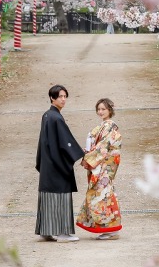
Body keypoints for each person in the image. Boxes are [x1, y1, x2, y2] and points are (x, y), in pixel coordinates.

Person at [35, 84, 85, 243]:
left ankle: (46, 231)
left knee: (48, 196)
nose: (63, 100)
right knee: (61, 195)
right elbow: (65, 142)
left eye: (65, 96)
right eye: (60, 97)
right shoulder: (56, 118)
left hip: (48, 163)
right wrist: (81, 154)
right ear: (52, 98)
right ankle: (63, 233)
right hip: (56, 164)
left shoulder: (47, 115)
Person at [76, 98, 123, 240]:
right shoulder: (103, 126)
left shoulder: (110, 126)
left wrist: (89, 157)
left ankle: (111, 229)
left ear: (110, 110)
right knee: (103, 195)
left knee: (103, 195)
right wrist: (89, 151)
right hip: (103, 166)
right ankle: (109, 228)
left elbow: (103, 148)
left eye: (104, 109)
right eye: (99, 109)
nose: (100, 112)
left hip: (104, 166)